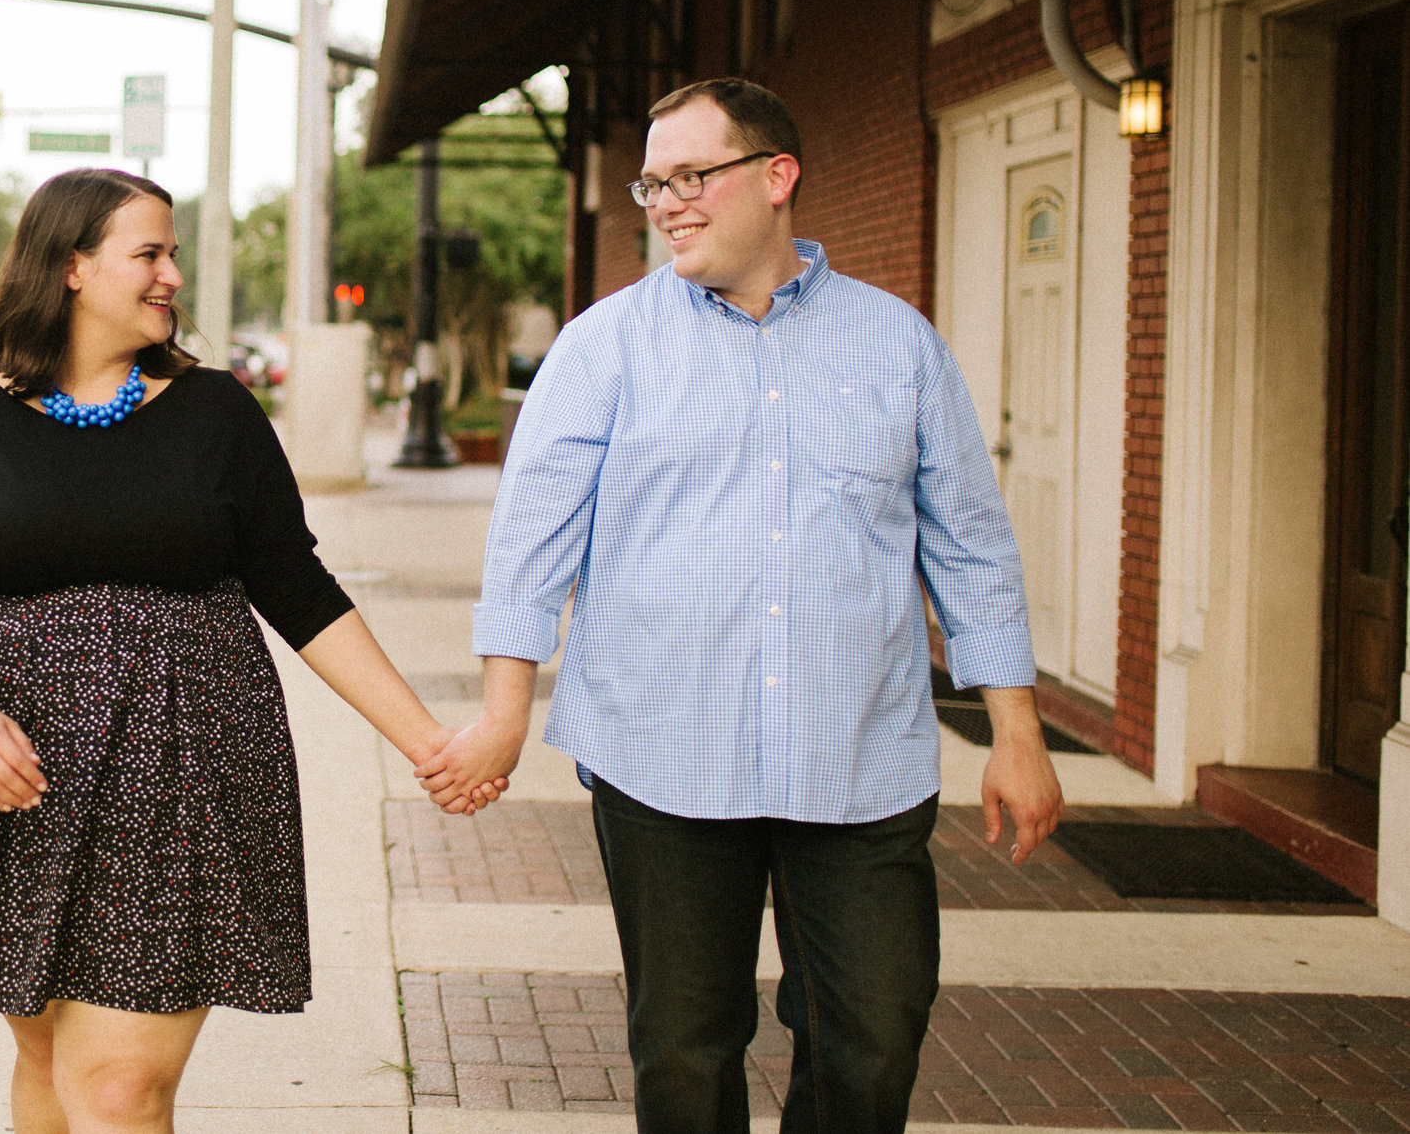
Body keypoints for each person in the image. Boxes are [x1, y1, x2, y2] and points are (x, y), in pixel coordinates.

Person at [418, 79, 1063, 1134]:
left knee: (876, 1029)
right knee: (682, 1045)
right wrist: (503, 711)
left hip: (856, 758)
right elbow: (528, 544)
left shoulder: (897, 345)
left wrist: (1017, 730)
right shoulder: (603, 346)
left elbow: (969, 542)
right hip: (661, 754)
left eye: (690, 176)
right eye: (653, 182)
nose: (665, 202)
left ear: (775, 176)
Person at [0, 167, 500, 1134]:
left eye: (174, 253)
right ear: (73, 266)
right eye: (150, 252)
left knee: (120, 1085)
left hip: (180, 769)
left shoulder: (216, 412)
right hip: (10, 772)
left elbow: (297, 587)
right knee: (47, 1056)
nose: (172, 274)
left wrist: (426, 738)